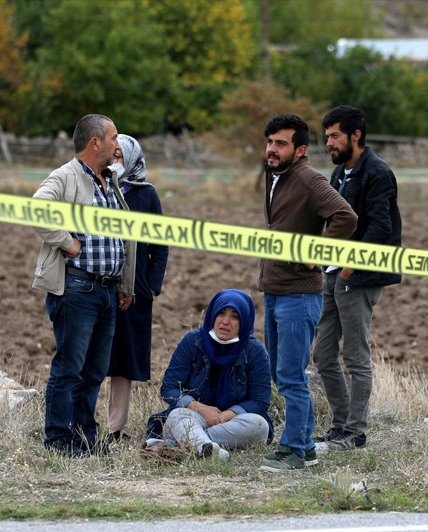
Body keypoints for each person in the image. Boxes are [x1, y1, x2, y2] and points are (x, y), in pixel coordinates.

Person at [31, 114, 136, 457]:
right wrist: (66, 241)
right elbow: (38, 209)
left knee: (93, 372)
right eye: (113, 138)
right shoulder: (65, 176)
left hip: (106, 291)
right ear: (95, 143)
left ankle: (85, 438)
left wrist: (124, 282)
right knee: (69, 370)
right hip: (77, 289)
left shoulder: (110, 181)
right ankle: (60, 441)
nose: (118, 145)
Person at [257, 114, 357, 472]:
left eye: (280, 143)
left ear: (300, 149)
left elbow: (345, 216)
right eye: (269, 141)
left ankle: (296, 450)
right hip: (274, 289)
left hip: (299, 295)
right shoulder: (275, 175)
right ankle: (305, 444)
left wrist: (318, 253)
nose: (271, 149)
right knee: (280, 371)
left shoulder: (309, 178)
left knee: (290, 375)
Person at [313, 105, 402, 452]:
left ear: (356, 136)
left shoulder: (377, 173)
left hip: (360, 276)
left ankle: (355, 431)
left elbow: (382, 227)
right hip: (334, 273)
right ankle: (340, 425)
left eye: (335, 136)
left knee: (355, 355)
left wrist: (350, 267)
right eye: (327, 137)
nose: (329, 143)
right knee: (322, 354)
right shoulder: (339, 173)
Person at [144, 289, 272, 459]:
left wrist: (227, 415)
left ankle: (181, 446)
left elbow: (260, 400)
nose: (226, 321)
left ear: (245, 322)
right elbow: (169, 388)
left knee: (260, 426)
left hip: (230, 422)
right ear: (212, 314)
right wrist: (201, 409)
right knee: (177, 415)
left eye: (234, 316)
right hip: (192, 416)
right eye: (221, 313)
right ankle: (209, 451)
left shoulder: (254, 351)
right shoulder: (192, 341)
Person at [105, 135, 169, 445]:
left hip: (135, 291)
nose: (115, 159)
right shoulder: (99, 190)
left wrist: (150, 287)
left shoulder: (146, 196)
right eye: (111, 153)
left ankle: (114, 428)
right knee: (94, 357)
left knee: (123, 360)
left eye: (120, 155)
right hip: (100, 285)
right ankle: (82, 424)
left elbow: (159, 247)